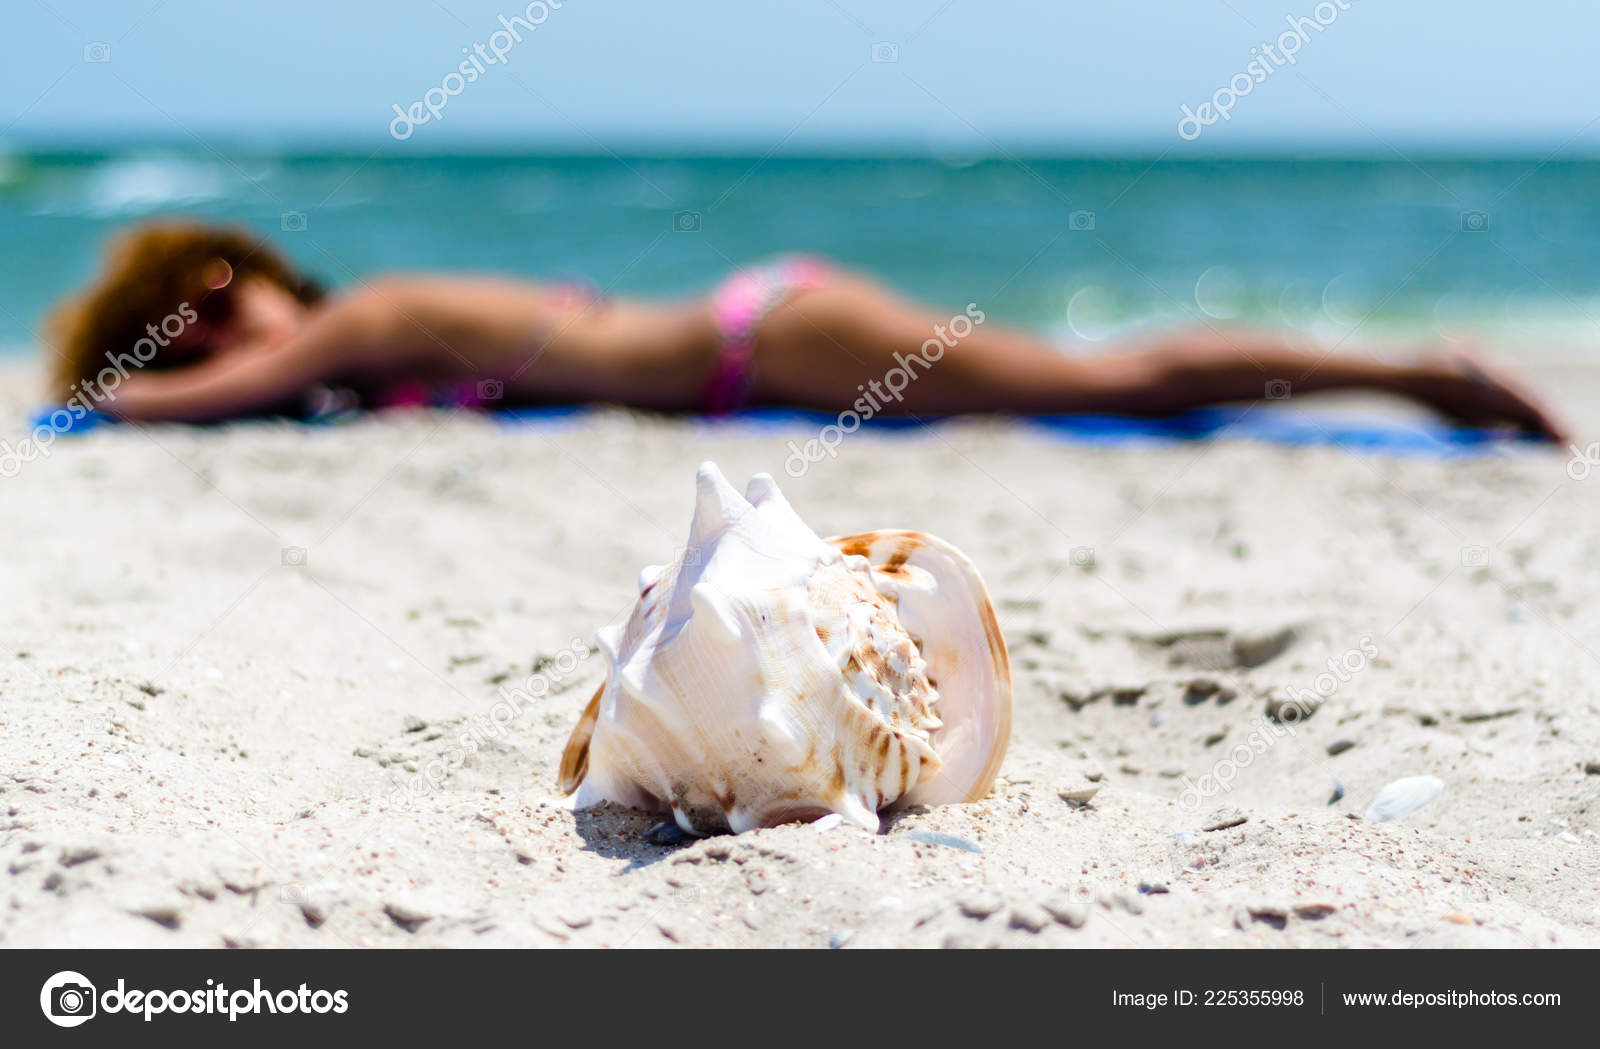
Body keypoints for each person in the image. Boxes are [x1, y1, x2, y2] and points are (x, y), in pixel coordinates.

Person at [46, 221, 1566, 440]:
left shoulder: (368, 314)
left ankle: (1418, 376)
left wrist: (101, 401)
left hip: (766, 345)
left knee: (1107, 386)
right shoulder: (373, 346)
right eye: (189, 329)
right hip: (762, 337)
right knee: (1101, 386)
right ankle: (1409, 376)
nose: (224, 331)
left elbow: (199, 403)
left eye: (218, 295)